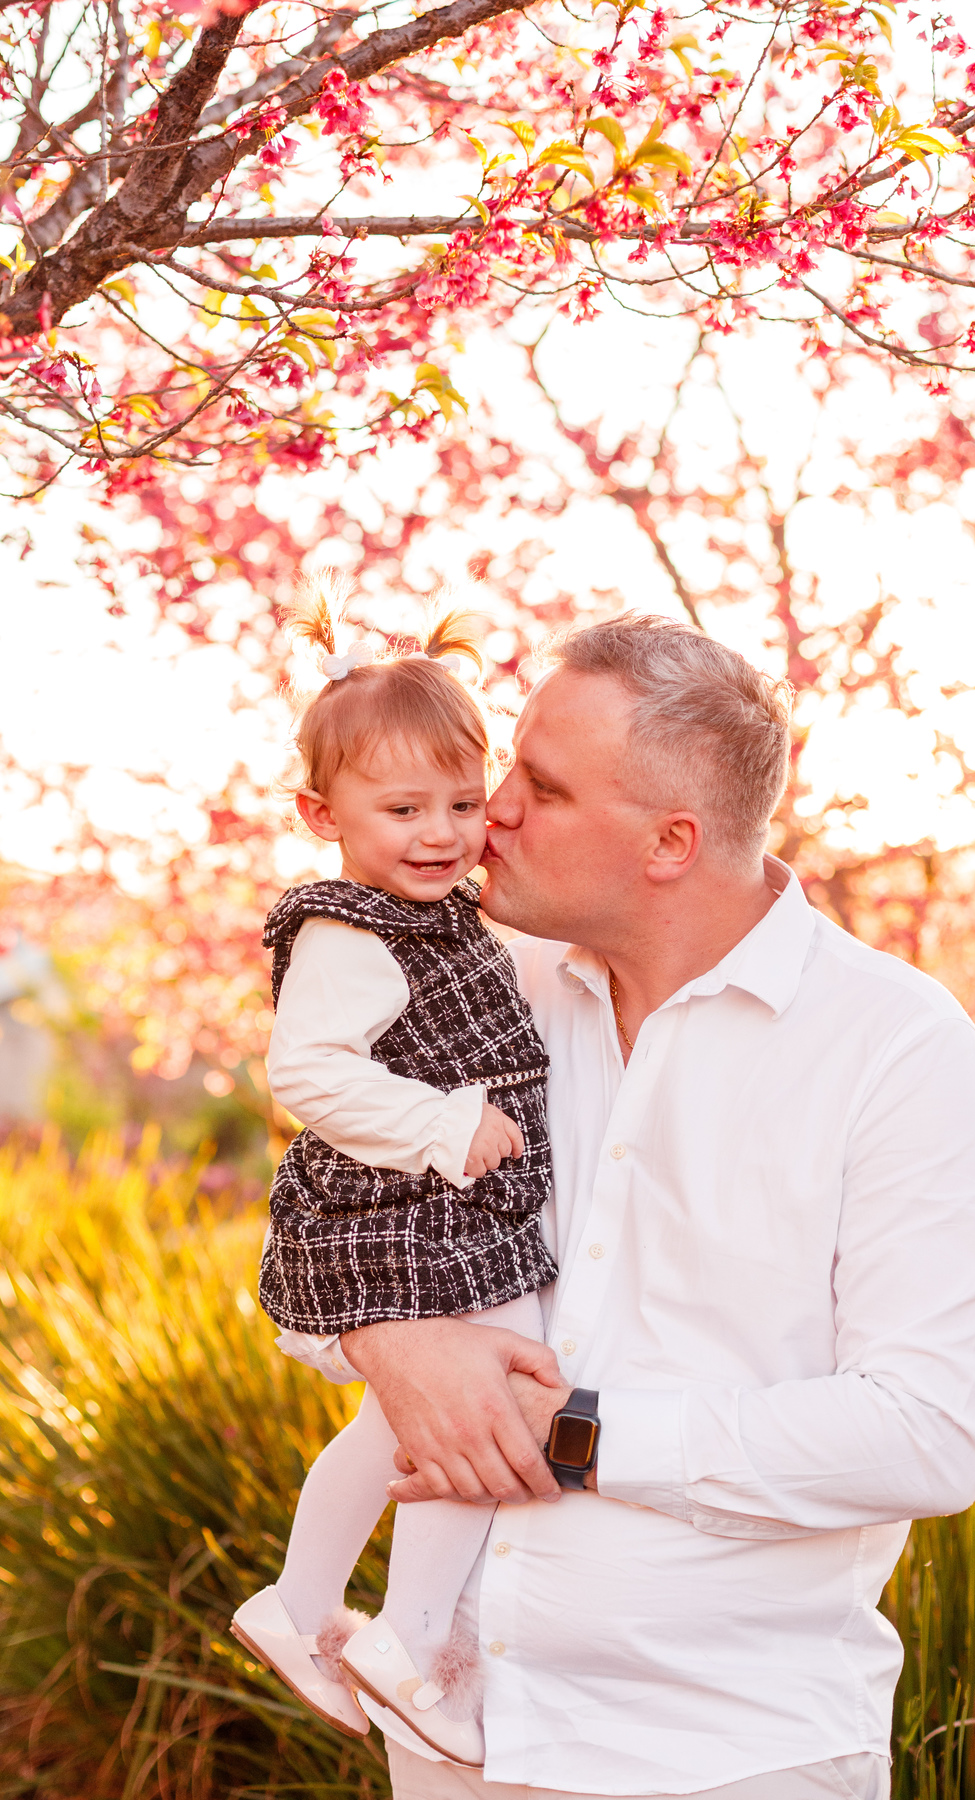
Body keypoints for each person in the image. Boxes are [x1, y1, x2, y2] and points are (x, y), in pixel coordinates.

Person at [334, 613, 975, 1800]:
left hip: (728, 1756)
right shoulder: (469, 992)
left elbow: (928, 1432)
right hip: (451, 1746)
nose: (487, 809)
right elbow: (315, 1241)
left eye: (540, 788)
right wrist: (387, 1337)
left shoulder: (896, 1047)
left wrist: (576, 1436)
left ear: (670, 842)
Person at [230, 580, 560, 1765]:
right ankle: (410, 1636)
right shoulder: (350, 933)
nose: (440, 832)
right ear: (324, 812)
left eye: (464, 804)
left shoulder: (444, 918)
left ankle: (311, 1604)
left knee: (402, 1418)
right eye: (403, 806)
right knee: (493, 1397)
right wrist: (442, 1122)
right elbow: (305, 1071)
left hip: (439, 1208)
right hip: (407, 1207)